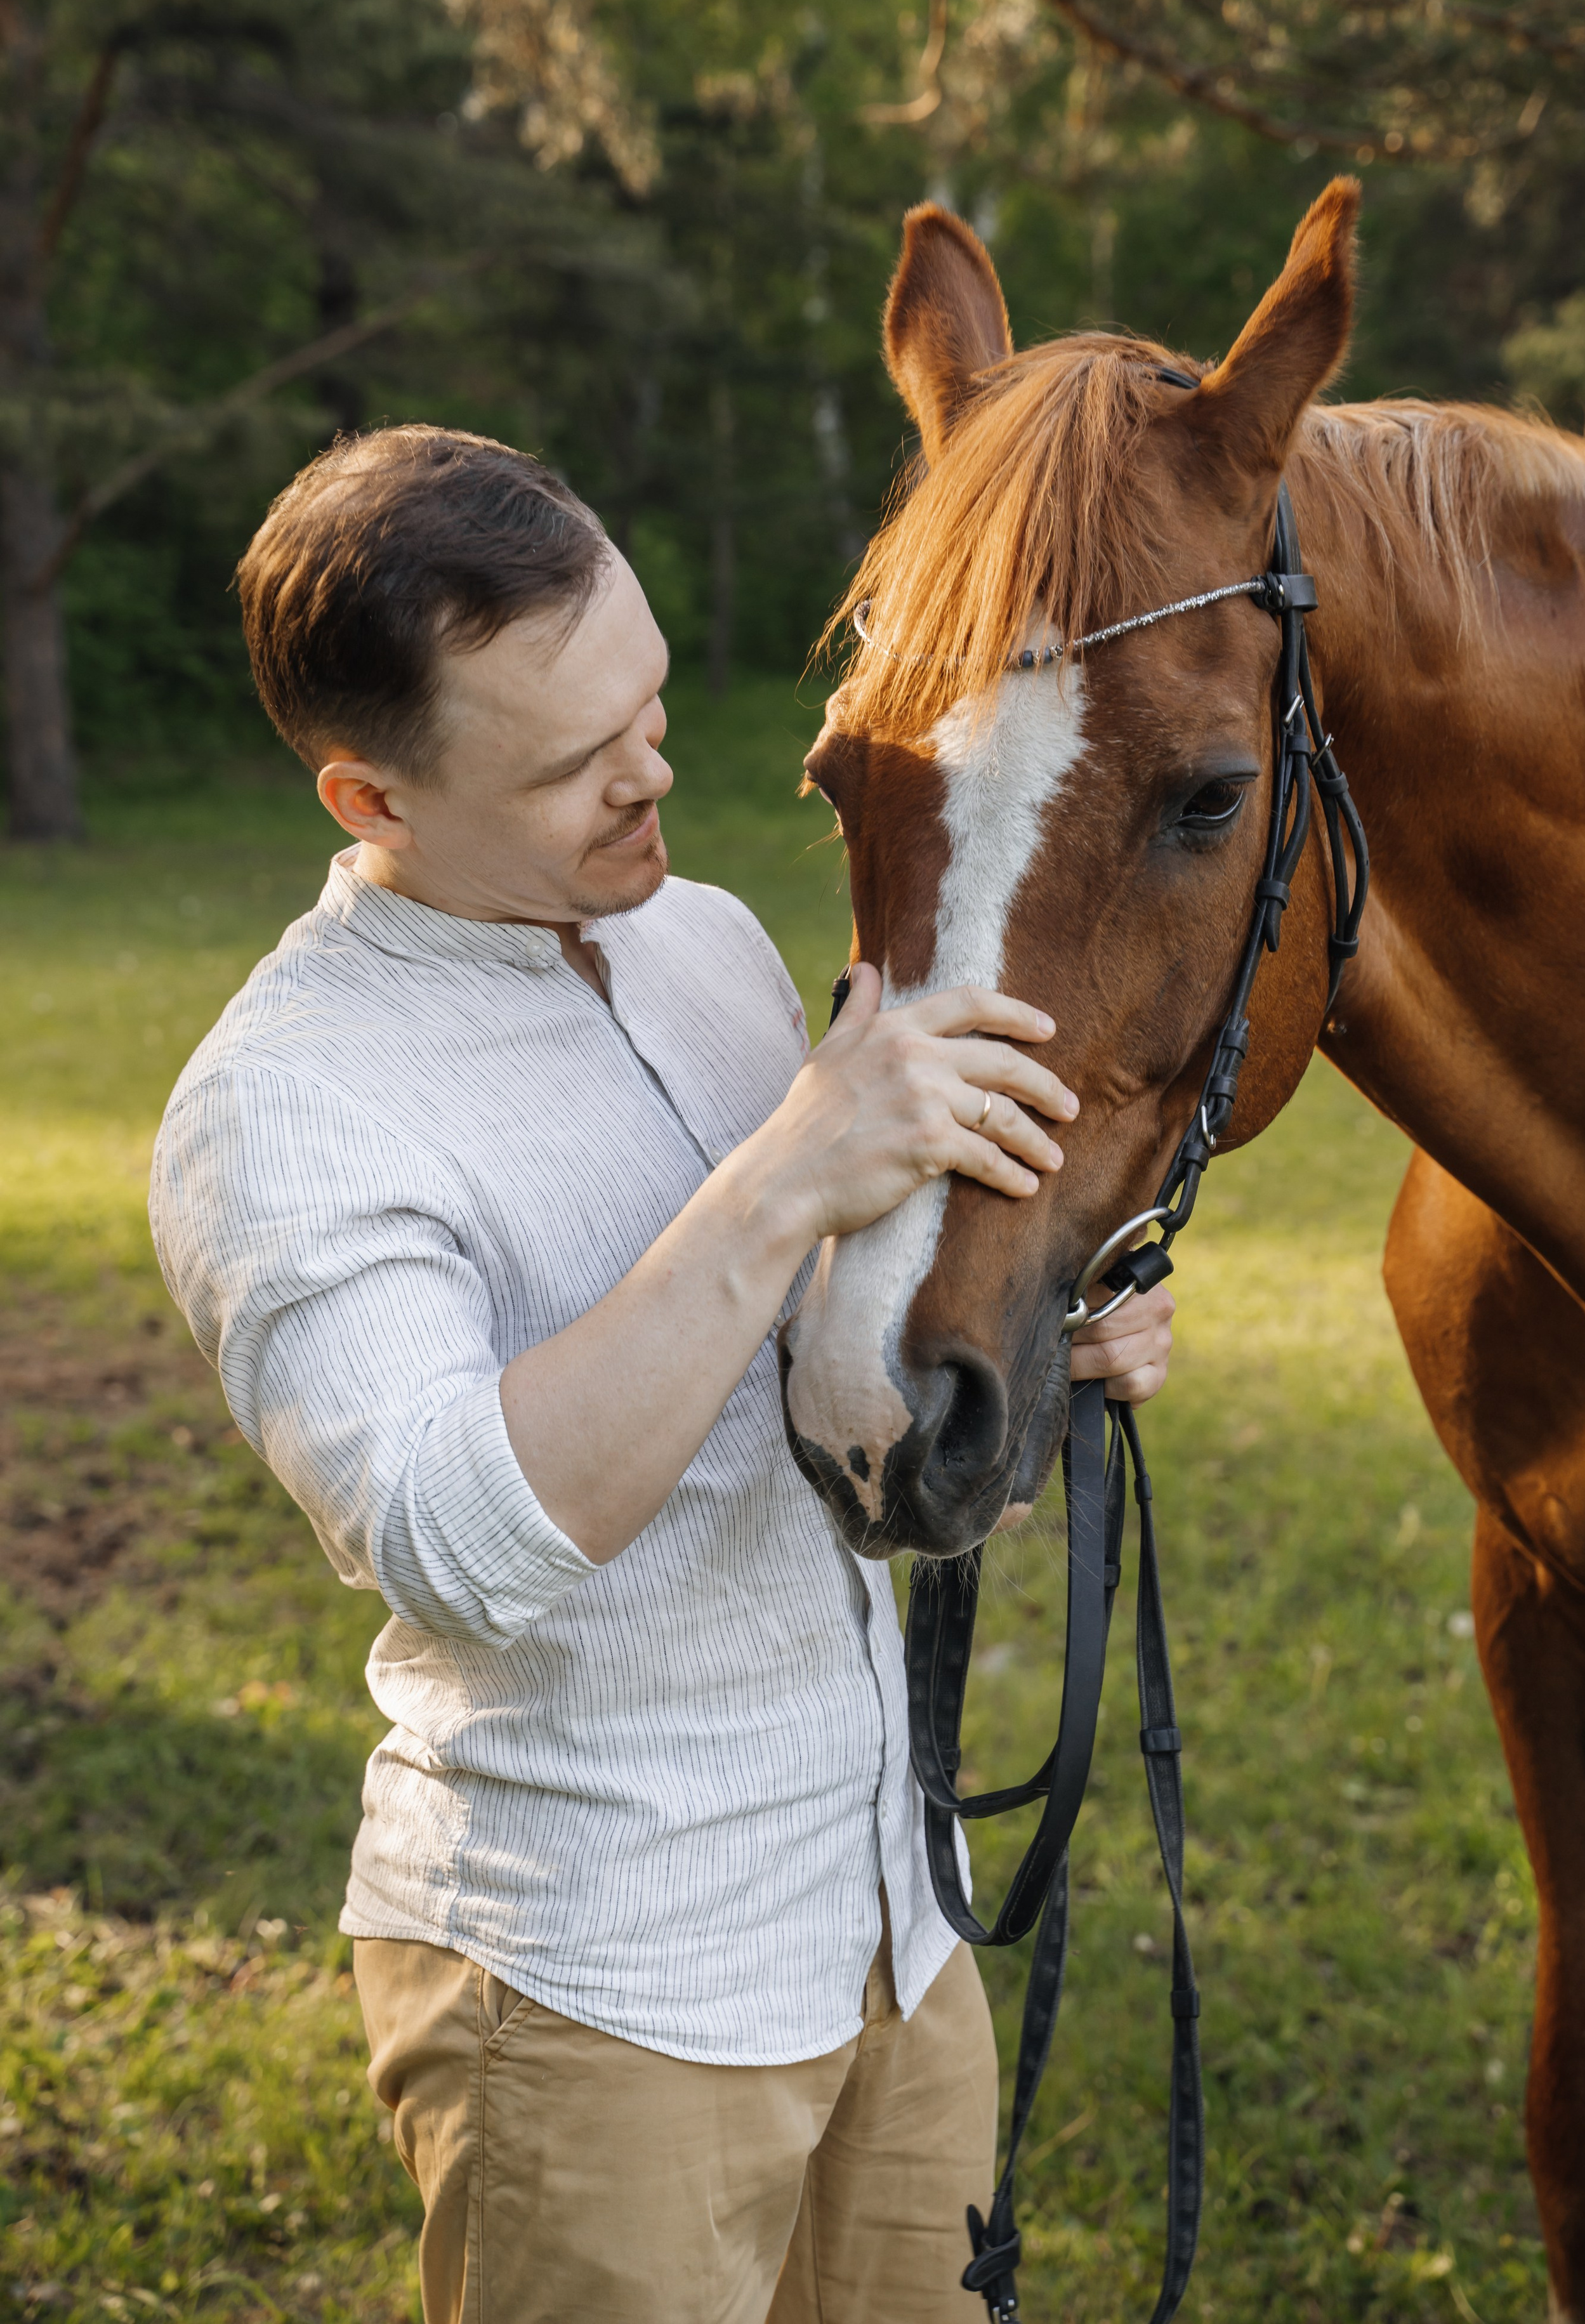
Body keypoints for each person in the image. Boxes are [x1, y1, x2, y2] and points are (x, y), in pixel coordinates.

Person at [150, 425, 1174, 2324]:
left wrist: (1035, 1343)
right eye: (569, 765)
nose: (652, 774)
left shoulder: (697, 943)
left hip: (890, 1926)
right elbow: (460, 1538)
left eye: (653, 702)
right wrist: (783, 1175)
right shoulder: (283, 1109)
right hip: (598, 1992)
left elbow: (795, 1402)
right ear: (369, 796)